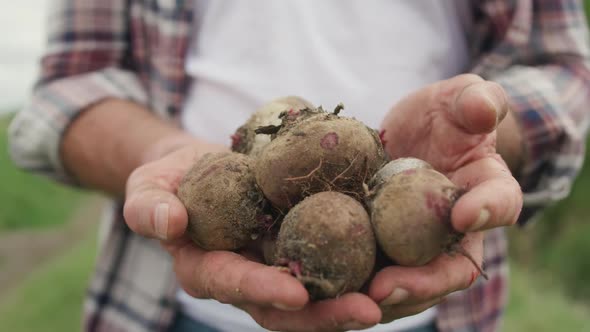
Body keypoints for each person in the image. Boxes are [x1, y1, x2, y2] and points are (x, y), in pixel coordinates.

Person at [8, 0, 590, 331]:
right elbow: (67, 89)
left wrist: (481, 129)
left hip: (444, 316)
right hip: (167, 309)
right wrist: (160, 154)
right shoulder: (253, 172)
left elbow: (565, 72)